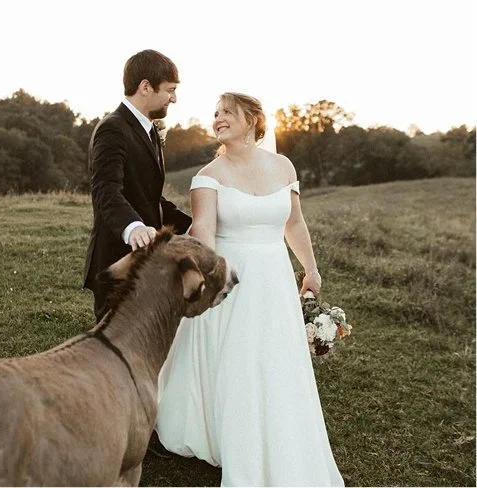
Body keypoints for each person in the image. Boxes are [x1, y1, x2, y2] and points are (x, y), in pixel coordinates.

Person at [156, 92, 344, 486]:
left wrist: (310, 268)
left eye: (227, 112)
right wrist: (208, 274)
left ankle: (278, 425)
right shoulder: (208, 176)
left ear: (253, 119)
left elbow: (294, 224)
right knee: (237, 355)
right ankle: (231, 434)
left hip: (274, 276)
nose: (218, 118)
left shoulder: (283, 165)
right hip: (232, 276)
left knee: (274, 355)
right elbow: (204, 228)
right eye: (216, 113)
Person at [83, 49, 192, 322]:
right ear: (145, 87)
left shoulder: (150, 129)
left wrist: (191, 226)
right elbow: (106, 190)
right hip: (118, 264)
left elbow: (148, 196)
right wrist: (133, 228)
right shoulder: (113, 128)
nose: (174, 98)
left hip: (146, 264)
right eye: (170, 90)